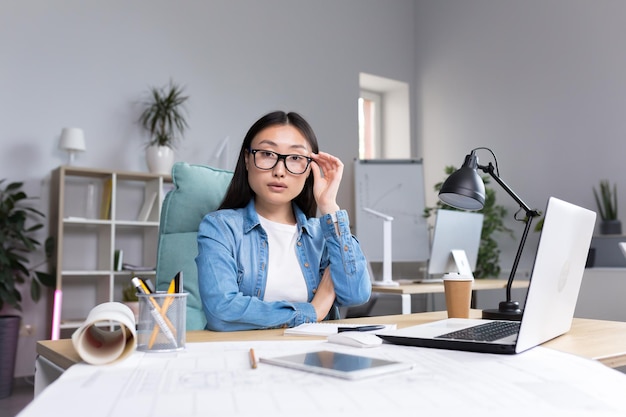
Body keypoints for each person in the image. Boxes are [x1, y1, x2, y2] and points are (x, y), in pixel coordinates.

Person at [195, 110, 372, 331]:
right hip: (242, 355)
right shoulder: (220, 228)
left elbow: (356, 293)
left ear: (310, 169)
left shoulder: (323, 235)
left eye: (296, 158)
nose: (279, 171)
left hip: (314, 357)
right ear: (248, 159)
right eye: (267, 154)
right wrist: (313, 312)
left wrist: (329, 206)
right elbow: (221, 312)